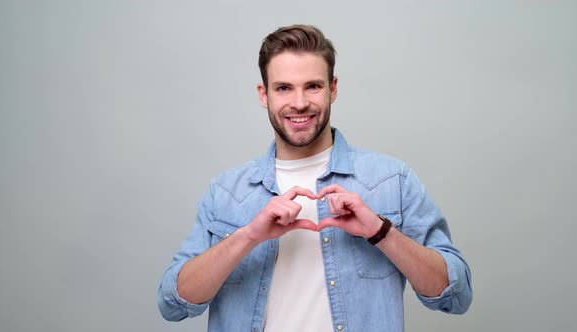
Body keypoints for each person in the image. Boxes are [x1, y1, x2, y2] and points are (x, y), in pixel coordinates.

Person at [158, 24, 472, 332]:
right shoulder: (225, 192)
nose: (299, 103)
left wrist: (381, 232)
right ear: (263, 94)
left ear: (332, 88)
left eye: (313, 86)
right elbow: (173, 304)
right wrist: (248, 237)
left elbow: (456, 296)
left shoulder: (393, 180)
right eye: (283, 88)